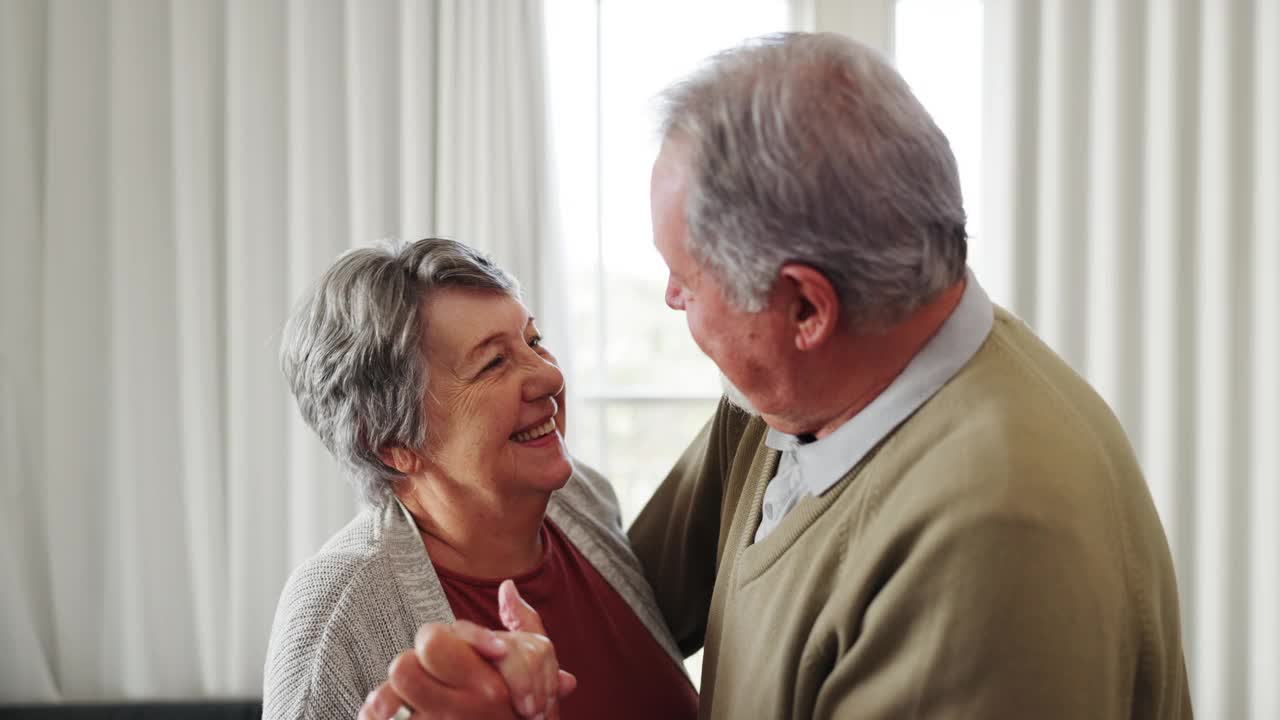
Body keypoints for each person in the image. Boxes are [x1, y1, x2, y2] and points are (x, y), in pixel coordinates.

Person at [395, 32, 1193, 719]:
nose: (670, 297)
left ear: (806, 309)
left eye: (686, 276)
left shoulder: (990, 537)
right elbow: (628, 612)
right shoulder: (787, 399)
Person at [264, 238, 697, 720]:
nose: (550, 378)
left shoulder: (583, 497)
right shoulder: (334, 619)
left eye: (533, 341)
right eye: (493, 363)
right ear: (392, 443)